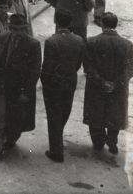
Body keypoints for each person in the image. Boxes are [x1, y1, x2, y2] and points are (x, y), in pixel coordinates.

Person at [0, 13, 41, 158]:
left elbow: (34, 72)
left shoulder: (33, 45)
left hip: (19, 88)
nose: (17, 33)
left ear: (25, 28)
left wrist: (26, 92)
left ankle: (11, 138)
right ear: (10, 28)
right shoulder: (4, 37)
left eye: (20, 30)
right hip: (2, 85)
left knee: (15, 118)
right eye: (14, 29)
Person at [82, 12, 133, 154]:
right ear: (116, 25)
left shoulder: (91, 42)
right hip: (118, 87)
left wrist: (102, 82)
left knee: (95, 112)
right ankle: (112, 140)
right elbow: (130, 69)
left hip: (96, 86)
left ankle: (98, 142)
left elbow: (88, 67)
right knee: (114, 113)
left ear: (102, 25)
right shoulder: (127, 44)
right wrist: (116, 83)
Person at [41, 10, 87, 162]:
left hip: (54, 83)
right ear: (70, 22)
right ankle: (57, 139)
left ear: (56, 21)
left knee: (53, 115)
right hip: (70, 80)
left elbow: (47, 66)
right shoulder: (79, 40)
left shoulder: (51, 41)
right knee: (64, 111)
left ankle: (56, 150)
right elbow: (79, 63)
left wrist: (45, 81)